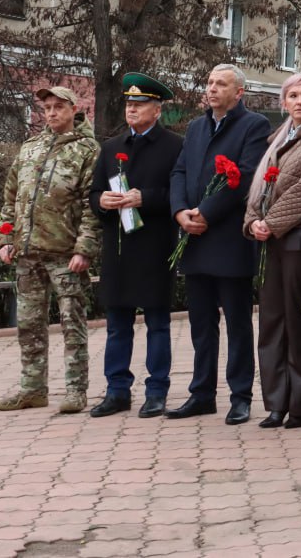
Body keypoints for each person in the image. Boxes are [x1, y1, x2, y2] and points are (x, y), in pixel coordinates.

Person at [167, 63, 271, 425]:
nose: (212, 89)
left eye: (221, 84)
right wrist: (180, 211)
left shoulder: (254, 125)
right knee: (200, 323)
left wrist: (207, 213)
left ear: (238, 92)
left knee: (238, 323)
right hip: (194, 238)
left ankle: (240, 395)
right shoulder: (196, 127)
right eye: (209, 82)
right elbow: (180, 171)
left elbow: (244, 177)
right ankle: (202, 394)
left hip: (228, 239)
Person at [0, 85, 100, 415]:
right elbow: (10, 198)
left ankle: (75, 389)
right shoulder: (30, 148)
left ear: (73, 108)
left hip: (64, 253)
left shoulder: (87, 150)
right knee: (28, 325)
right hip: (27, 252)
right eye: (47, 107)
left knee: (72, 324)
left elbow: (91, 206)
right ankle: (32, 388)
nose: (51, 113)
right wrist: (5, 238)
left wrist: (84, 249)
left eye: (58, 106)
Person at [243, 73, 301, 429]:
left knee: (298, 323)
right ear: (283, 102)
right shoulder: (278, 138)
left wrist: (272, 223)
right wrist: (253, 221)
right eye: (293, 96)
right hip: (270, 243)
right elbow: (258, 188)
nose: (299, 101)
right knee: (270, 322)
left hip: (296, 240)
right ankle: (275, 403)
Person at [88, 73, 184, 418]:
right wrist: (103, 202)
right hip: (118, 249)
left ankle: (157, 390)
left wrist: (146, 198)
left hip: (155, 247)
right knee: (117, 324)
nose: (132, 109)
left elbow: (180, 196)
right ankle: (117, 390)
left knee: (157, 323)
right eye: (129, 104)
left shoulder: (174, 146)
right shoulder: (111, 147)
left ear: (156, 110)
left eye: (139, 104)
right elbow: (93, 193)